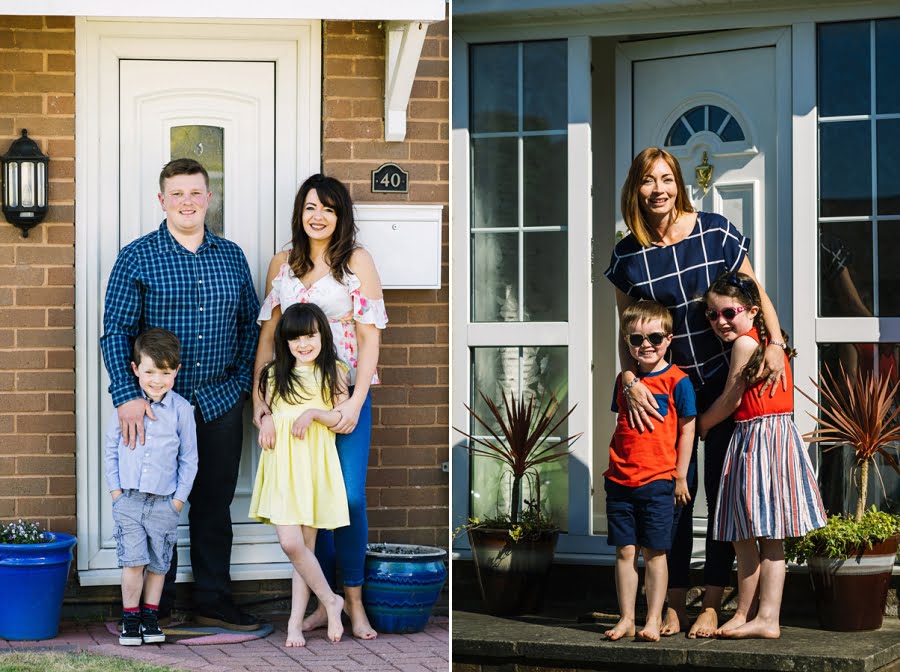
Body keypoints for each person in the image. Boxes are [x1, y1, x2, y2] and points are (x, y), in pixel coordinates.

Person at [604, 147, 787, 638]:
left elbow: (754, 291)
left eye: (666, 179)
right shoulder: (628, 255)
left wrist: (776, 342)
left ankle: (712, 602)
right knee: (674, 493)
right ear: (635, 189)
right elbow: (626, 329)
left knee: (723, 493)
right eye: (647, 181)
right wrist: (629, 379)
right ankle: (674, 605)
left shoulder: (715, 230)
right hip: (667, 390)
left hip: (728, 381)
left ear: (678, 183)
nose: (658, 190)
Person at [101, 158, 262, 630]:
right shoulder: (137, 256)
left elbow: (250, 329)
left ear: (209, 198)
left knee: (214, 504)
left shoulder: (231, 256)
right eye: (177, 194)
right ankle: (158, 606)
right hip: (155, 411)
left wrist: (236, 389)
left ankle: (214, 598)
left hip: (217, 403)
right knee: (153, 506)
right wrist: (127, 396)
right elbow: (116, 333)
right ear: (162, 200)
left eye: (196, 193)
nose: (187, 202)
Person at [253, 174, 387, 640]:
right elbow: (268, 339)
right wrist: (260, 402)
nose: (318, 216)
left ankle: (353, 601)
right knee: (310, 504)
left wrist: (356, 400)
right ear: (300, 211)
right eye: (311, 206)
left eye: (328, 208)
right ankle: (320, 600)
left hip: (340, 395)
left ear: (340, 215)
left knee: (347, 497)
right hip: (291, 401)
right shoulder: (281, 265)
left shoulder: (356, 262)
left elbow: (370, 337)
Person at [698, 272, 826, 639]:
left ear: (752, 312)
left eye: (728, 313)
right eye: (712, 315)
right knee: (746, 534)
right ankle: (745, 612)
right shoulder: (772, 342)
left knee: (766, 536)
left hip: (760, 437)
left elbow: (731, 398)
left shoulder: (745, 345)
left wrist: (702, 423)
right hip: (765, 437)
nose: (720, 322)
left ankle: (767, 617)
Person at [250, 303, 351, 646]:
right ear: (285, 341)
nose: (303, 344)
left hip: (311, 466)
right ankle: (331, 601)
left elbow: (342, 418)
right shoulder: (272, 374)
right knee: (291, 543)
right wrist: (264, 421)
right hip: (282, 466)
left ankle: (295, 623)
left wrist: (313, 414)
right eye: (295, 338)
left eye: (310, 335)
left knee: (303, 550)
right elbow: (263, 412)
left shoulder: (334, 372)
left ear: (322, 334)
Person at [604, 300, 696, 642]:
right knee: (625, 552)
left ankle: (654, 618)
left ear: (669, 339)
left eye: (655, 337)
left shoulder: (678, 381)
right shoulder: (624, 382)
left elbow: (688, 429)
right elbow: (622, 423)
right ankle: (627, 617)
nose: (646, 345)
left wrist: (681, 475)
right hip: (619, 479)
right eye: (636, 339)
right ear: (627, 342)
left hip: (658, 480)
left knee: (655, 552)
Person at [104, 328, 198, 646]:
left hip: (164, 503)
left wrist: (178, 502)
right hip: (128, 499)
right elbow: (111, 451)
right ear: (135, 369)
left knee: (159, 563)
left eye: (165, 373)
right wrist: (116, 493)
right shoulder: (124, 407)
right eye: (149, 372)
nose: (157, 380)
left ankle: (150, 617)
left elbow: (189, 459)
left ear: (176, 371)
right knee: (133, 561)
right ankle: (130, 618)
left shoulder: (182, 410)